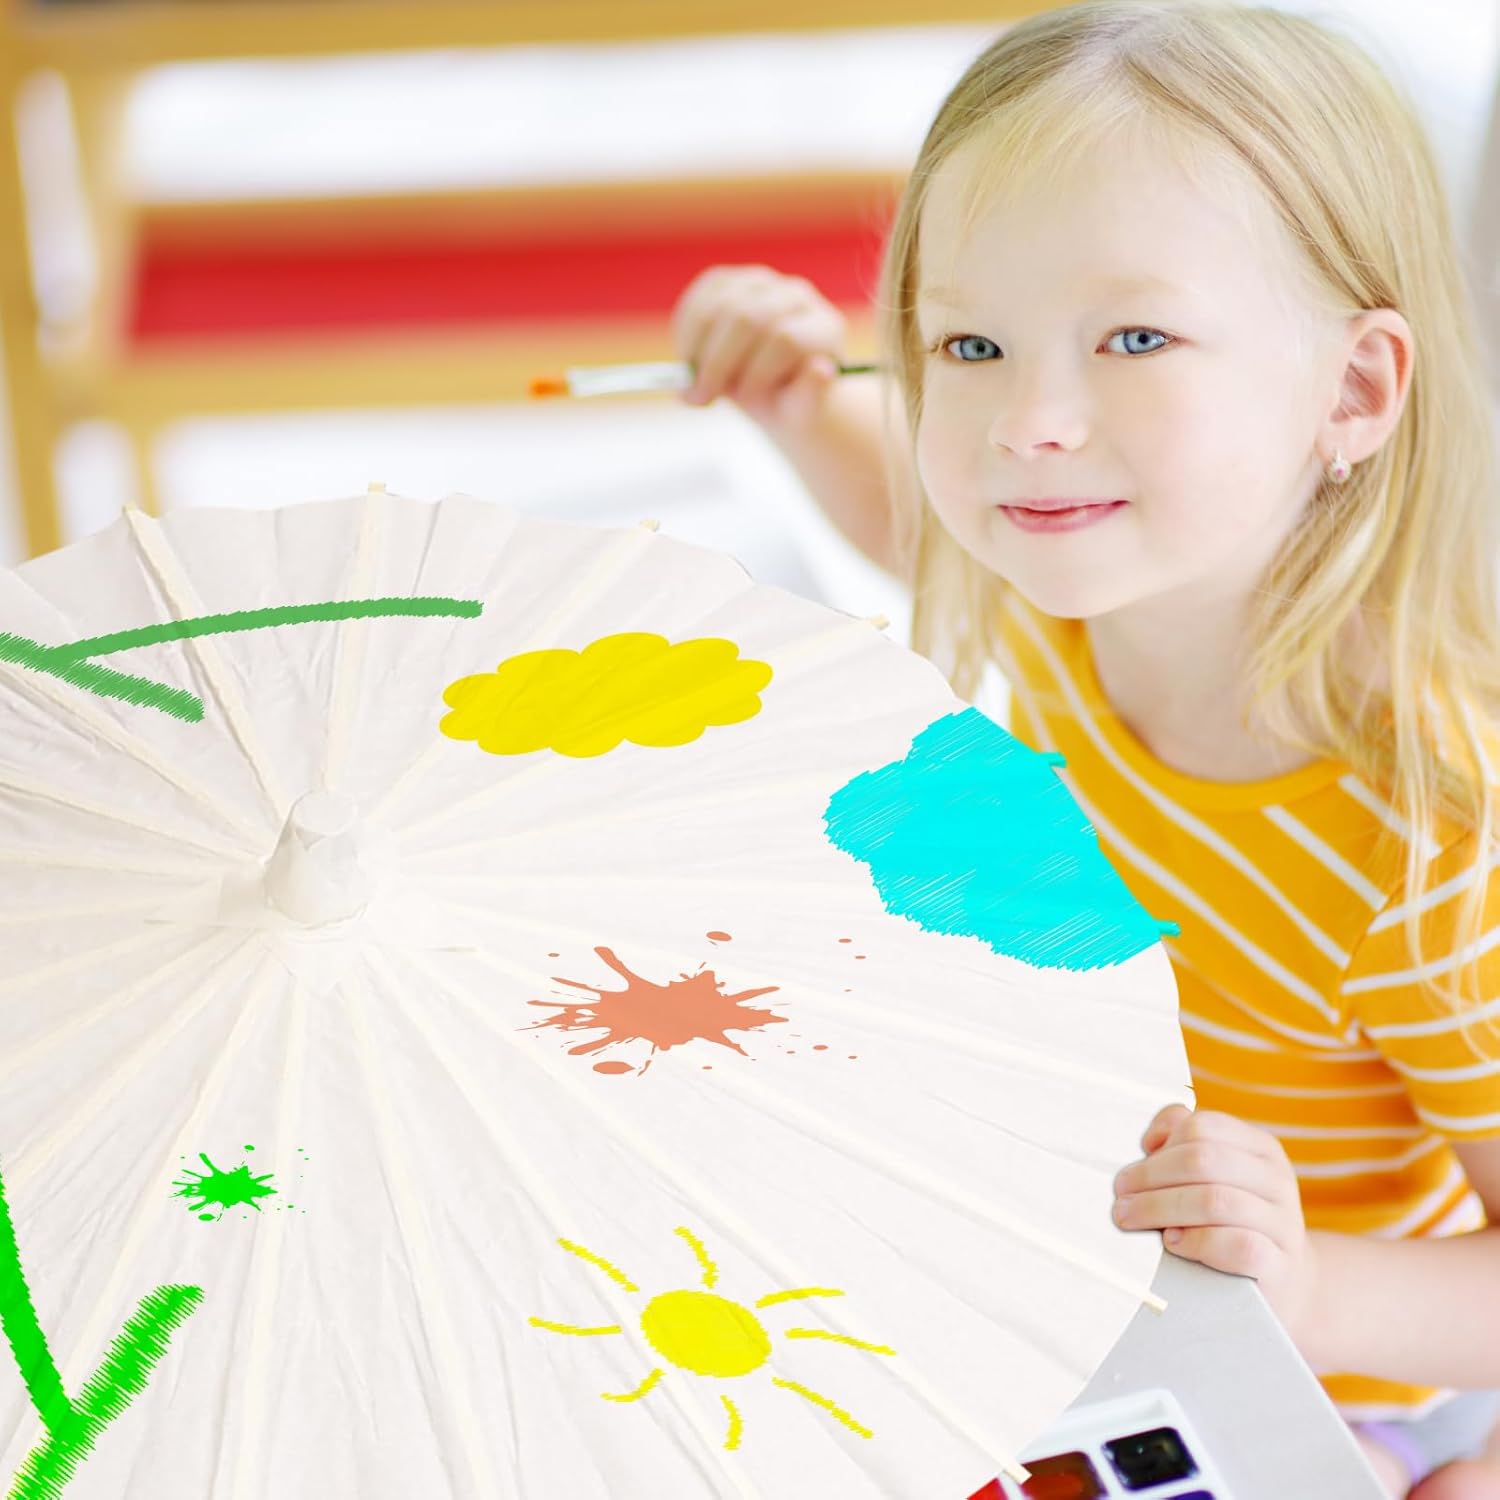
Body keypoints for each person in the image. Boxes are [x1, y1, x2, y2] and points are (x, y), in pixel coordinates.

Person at [669, 2, 1500, 1496]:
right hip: (1055, 1273)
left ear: (1354, 392)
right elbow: (924, 527)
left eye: (1136, 338)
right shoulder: (1084, 572)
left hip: (1300, 1392)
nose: (1029, 424)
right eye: (970, 344)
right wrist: (798, 409)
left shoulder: (1435, 843)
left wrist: (1309, 1284)